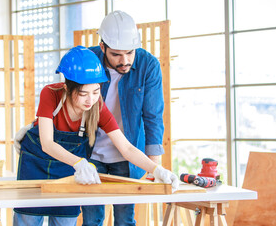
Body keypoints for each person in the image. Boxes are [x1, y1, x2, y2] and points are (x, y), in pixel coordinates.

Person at [13, 46, 178, 226]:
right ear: (67, 88)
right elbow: (47, 143)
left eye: (96, 91)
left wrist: (157, 169)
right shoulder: (50, 93)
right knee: (27, 219)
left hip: (67, 168)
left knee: (64, 220)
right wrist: (79, 162)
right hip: (36, 163)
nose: (90, 100)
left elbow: (127, 148)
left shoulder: (97, 106)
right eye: (83, 93)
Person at [81, 10, 175, 226]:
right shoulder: (88, 60)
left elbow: (153, 115)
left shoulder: (148, 65)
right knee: (92, 220)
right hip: (91, 153)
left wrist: (155, 166)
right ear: (103, 47)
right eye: (116, 55)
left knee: (125, 220)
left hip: (128, 155)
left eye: (130, 53)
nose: (125, 61)